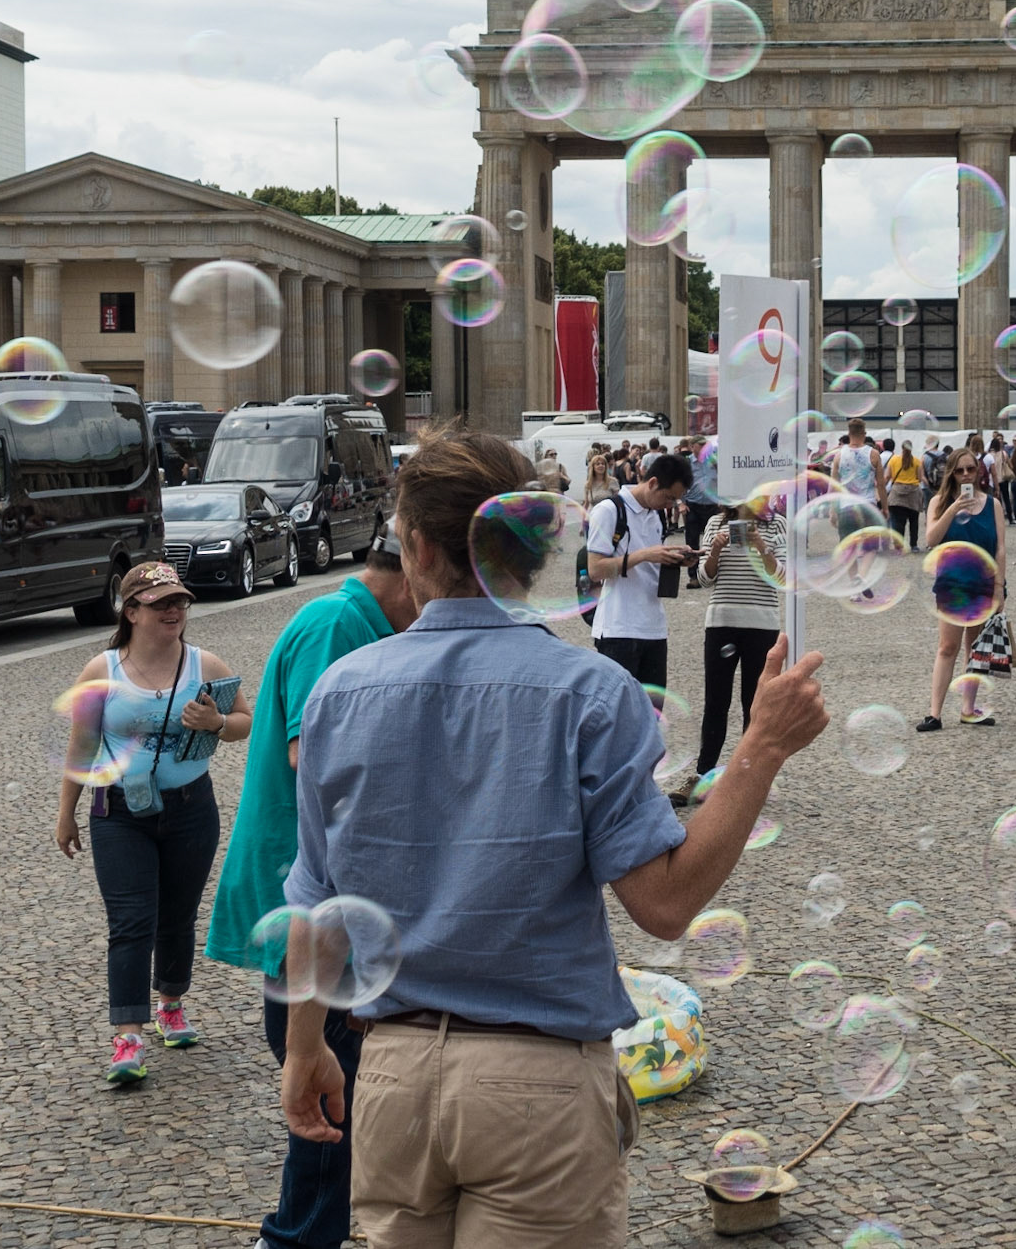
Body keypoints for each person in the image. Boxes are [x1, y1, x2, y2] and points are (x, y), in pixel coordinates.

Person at [278, 425, 829, 1249]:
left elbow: (315, 905)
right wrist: (759, 751)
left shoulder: (339, 692)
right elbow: (666, 904)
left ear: (415, 546)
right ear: (533, 556)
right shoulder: (590, 693)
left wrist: (303, 1049)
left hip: (389, 1072)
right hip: (536, 1082)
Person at [205, 522, 417, 1249]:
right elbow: (320, 765)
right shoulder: (336, 625)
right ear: (414, 576)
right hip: (314, 901)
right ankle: (294, 1239)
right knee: (334, 1096)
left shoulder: (357, 620)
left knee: (345, 1092)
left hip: (327, 898)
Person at [55, 561, 253, 1084]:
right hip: (118, 812)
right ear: (131, 610)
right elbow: (82, 745)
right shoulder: (101, 671)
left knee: (178, 914)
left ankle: (170, 1003)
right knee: (130, 922)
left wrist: (217, 721)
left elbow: (245, 723)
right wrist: (66, 813)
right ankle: (128, 1037)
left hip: (191, 808)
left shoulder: (205, 664)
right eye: (161, 603)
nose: (174, 611)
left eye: (180, 602)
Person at [690, 502, 787, 794]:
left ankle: (749, 777)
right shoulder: (715, 524)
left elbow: (782, 579)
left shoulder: (777, 524)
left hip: (762, 623)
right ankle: (703, 774)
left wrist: (760, 546)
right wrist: (716, 550)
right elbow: (704, 579)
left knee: (754, 705)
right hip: (721, 621)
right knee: (715, 703)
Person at [586, 451, 695, 694]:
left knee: (651, 714)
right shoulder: (609, 511)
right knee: (618, 714)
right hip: (618, 629)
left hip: (653, 627)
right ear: (653, 482)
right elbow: (595, 569)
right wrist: (645, 554)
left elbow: (651, 563)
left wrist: (675, 558)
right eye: (668, 498)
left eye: (674, 501)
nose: (669, 506)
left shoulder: (656, 515)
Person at [916, 447, 1005, 732]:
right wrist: (953, 508)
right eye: (960, 470)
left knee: (975, 648)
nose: (966, 474)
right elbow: (930, 539)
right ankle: (935, 713)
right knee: (947, 646)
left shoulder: (993, 505)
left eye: (971, 468)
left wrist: (1000, 587)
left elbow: (1001, 549)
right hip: (952, 583)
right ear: (951, 474)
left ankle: (968, 708)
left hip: (983, 582)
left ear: (979, 471)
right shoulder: (939, 502)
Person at [831, 418, 889, 519]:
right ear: (864, 434)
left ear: (849, 434)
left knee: (849, 535)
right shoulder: (873, 454)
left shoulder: (839, 455)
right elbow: (881, 485)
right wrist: (885, 508)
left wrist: (832, 511)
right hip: (868, 507)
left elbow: (834, 486)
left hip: (846, 508)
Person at [682, 438, 720, 590]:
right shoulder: (687, 464)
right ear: (692, 447)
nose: (706, 447)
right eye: (702, 444)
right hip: (693, 505)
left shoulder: (713, 460)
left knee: (715, 540)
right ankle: (694, 576)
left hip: (713, 505)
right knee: (692, 541)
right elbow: (681, 483)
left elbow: (723, 478)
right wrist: (681, 503)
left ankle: (712, 572)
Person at [885, 439, 923, 549]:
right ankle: (914, 545)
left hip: (897, 494)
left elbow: (887, 477)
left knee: (897, 522)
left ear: (901, 448)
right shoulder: (916, 461)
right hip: (913, 494)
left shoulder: (894, 460)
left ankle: (899, 545)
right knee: (914, 522)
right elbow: (920, 478)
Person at [920, 434, 948, 514]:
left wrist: (930, 485)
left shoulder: (924, 457)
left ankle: (929, 524)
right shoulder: (945, 456)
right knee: (942, 509)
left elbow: (921, 476)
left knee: (929, 510)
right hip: (942, 486)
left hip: (927, 488)